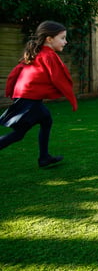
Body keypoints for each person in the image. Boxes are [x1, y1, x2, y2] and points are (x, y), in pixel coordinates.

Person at [0, 20, 77, 168]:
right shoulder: (48, 55)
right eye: (62, 38)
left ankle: (44, 157)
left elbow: (16, 72)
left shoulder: (37, 53)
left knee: (43, 122)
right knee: (20, 133)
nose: (65, 42)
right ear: (49, 39)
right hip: (29, 99)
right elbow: (60, 77)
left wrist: (11, 90)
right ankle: (44, 158)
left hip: (25, 97)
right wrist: (72, 99)